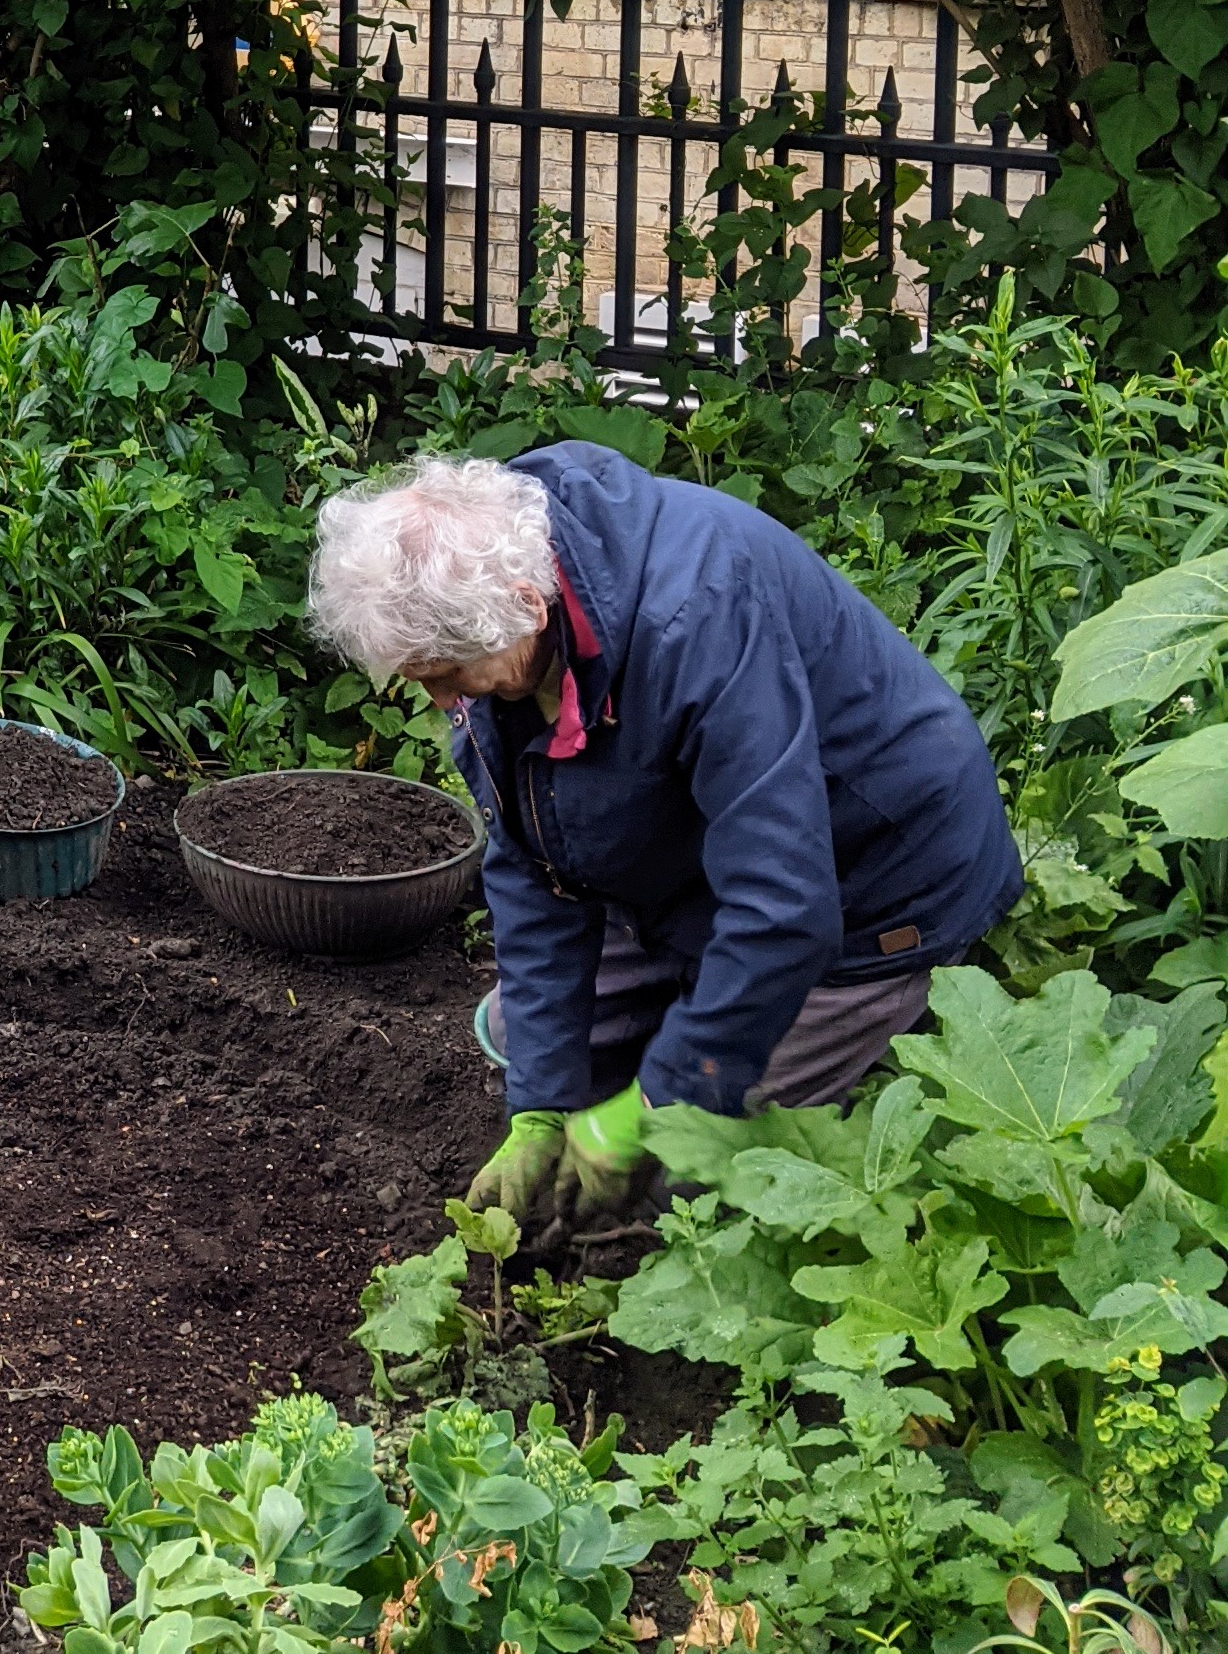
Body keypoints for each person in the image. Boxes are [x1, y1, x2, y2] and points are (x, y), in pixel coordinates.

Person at [307, 441, 1021, 1243]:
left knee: (682, 1180)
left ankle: (873, 1021)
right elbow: (533, 868)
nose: (438, 699)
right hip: (706, 880)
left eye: (445, 673)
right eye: (418, 677)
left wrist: (663, 1101)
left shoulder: (695, 620)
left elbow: (784, 902)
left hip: (874, 884)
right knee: (523, 1040)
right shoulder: (506, 641)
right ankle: (694, 1030)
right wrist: (541, 1105)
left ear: (526, 607)